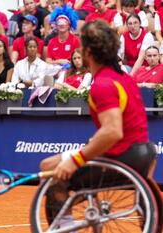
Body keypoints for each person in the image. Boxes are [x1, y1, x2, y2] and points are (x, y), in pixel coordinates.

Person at [40, 19, 156, 227]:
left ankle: (65, 228)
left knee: (54, 178)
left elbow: (112, 131)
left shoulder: (103, 85)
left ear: (88, 53)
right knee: (47, 165)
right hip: (144, 152)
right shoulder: (124, 78)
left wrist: (75, 160)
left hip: (121, 156)